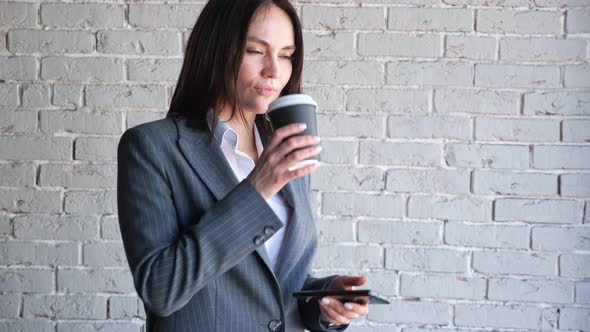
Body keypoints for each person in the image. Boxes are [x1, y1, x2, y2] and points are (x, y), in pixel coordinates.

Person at [117, 0, 369, 331]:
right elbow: (161, 290)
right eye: (255, 50)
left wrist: (323, 300)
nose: (274, 70)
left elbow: (271, 278)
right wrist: (258, 188)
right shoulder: (152, 148)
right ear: (216, 50)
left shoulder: (282, 149)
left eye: (286, 55)